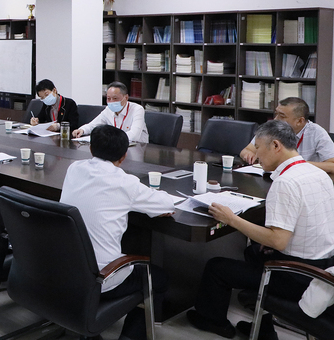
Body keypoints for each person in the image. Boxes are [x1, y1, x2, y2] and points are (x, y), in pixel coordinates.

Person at [187, 120, 334, 339]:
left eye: (258, 148)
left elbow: (278, 241)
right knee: (253, 251)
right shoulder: (318, 173)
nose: (256, 155)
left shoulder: (285, 182)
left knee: (216, 267)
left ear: (276, 146)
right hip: (325, 262)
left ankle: (214, 322)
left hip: (298, 275)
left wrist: (231, 219)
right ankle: (264, 329)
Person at [60, 125, 173, 340]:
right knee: (157, 278)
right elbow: (167, 205)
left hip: (62, 269)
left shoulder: (74, 168)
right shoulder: (125, 183)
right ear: (124, 156)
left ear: (91, 149)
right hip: (100, 278)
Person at [240, 97, 334, 173]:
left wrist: (297, 164)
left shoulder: (317, 132)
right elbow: (247, 150)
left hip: (303, 178)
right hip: (271, 177)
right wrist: (248, 154)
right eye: (276, 114)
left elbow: (332, 166)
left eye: (282, 116)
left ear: (299, 121)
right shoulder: (272, 128)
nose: (276, 119)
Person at [72, 82, 149, 143]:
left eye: (115, 98)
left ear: (126, 97)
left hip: (138, 146)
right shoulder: (108, 109)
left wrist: (111, 139)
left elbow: (134, 135)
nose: (111, 102)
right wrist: (82, 130)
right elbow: (94, 124)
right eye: (108, 98)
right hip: (116, 145)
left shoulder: (137, 109)